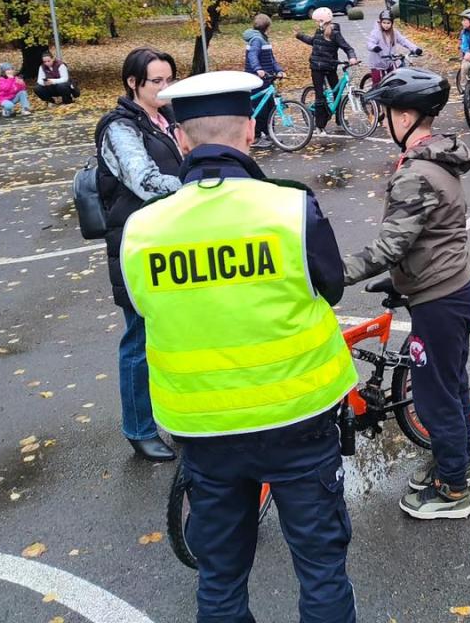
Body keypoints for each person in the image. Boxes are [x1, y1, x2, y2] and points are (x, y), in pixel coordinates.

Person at [121, 71, 356, 623]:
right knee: (320, 568)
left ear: (181, 139)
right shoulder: (288, 209)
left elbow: (142, 306)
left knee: (221, 576)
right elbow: (332, 286)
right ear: (250, 131)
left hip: (203, 428)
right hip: (298, 415)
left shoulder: (143, 229)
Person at [343, 68, 470, 519]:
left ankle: (453, 492)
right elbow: (426, 235)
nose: (383, 121)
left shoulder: (415, 173)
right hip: (454, 285)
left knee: (434, 395)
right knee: (452, 384)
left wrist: (331, 274)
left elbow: (389, 245)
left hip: (437, 298)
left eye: (385, 113)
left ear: (404, 116)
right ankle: (457, 461)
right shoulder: (437, 156)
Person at [94, 48, 183, 462]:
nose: (166, 88)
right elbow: (144, 180)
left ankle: (177, 418)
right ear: (134, 83)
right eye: (157, 82)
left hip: (169, 239)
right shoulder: (119, 128)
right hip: (137, 245)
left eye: (170, 79)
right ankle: (139, 429)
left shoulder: (166, 119)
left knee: (173, 337)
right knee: (139, 340)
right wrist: (197, 187)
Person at [296, 7, 358, 135]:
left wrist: (352, 57)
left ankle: (339, 120)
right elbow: (313, 42)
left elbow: (347, 47)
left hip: (330, 66)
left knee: (337, 93)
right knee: (320, 97)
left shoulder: (334, 33)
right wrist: (299, 35)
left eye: (316, 21)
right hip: (317, 68)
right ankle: (320, 126)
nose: (315, 23)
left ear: (322, 21)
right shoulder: (319, 31)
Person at [243, 14, 285, 149]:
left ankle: (269, 133)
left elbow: (271, 59)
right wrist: (258, 69)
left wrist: (279, 70)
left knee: (269, 106)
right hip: (256, 79)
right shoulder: (257, 40)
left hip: (266, 78)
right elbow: (252, 56)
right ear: (267, 27)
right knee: (259, 108)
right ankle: (255, 137)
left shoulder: (264, 40)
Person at [366, 9, 422, 87]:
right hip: (377, 63)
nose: (386, 25)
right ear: (380, 22)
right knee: (377, 85)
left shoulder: (394, 33)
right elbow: (370, 43)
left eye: (388, 23)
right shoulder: (376, 32)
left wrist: (415, 49)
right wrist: (375, 47)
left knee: (393, 81)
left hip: (390, 61)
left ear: (392, 23)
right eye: (384, 23)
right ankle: (373, 98)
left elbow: (404, 41)